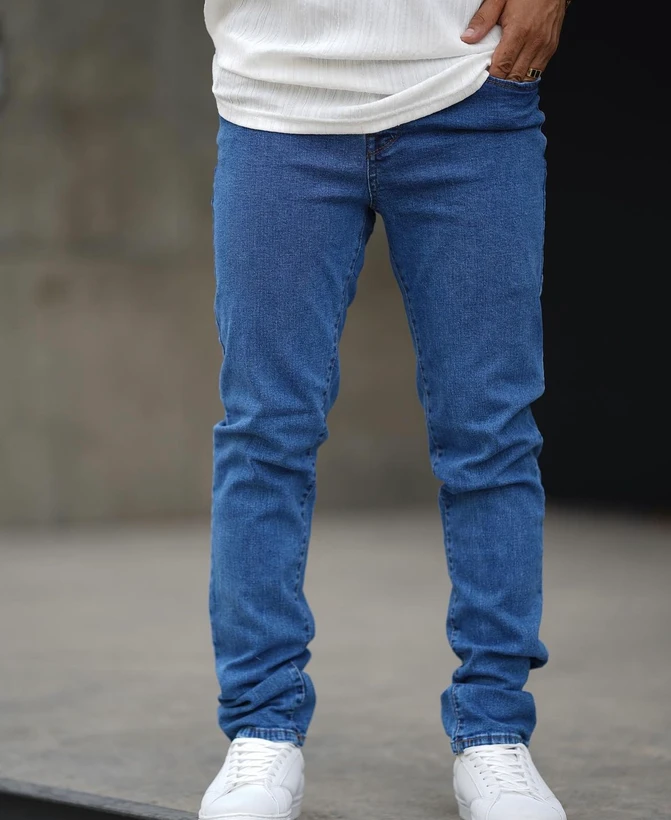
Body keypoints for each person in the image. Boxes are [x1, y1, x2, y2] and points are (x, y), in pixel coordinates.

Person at [199, 0, 570, 818]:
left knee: (490, 436)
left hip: (468, 89)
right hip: (276, 99)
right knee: (264, 431)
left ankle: (493, 734)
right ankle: (260, 733)